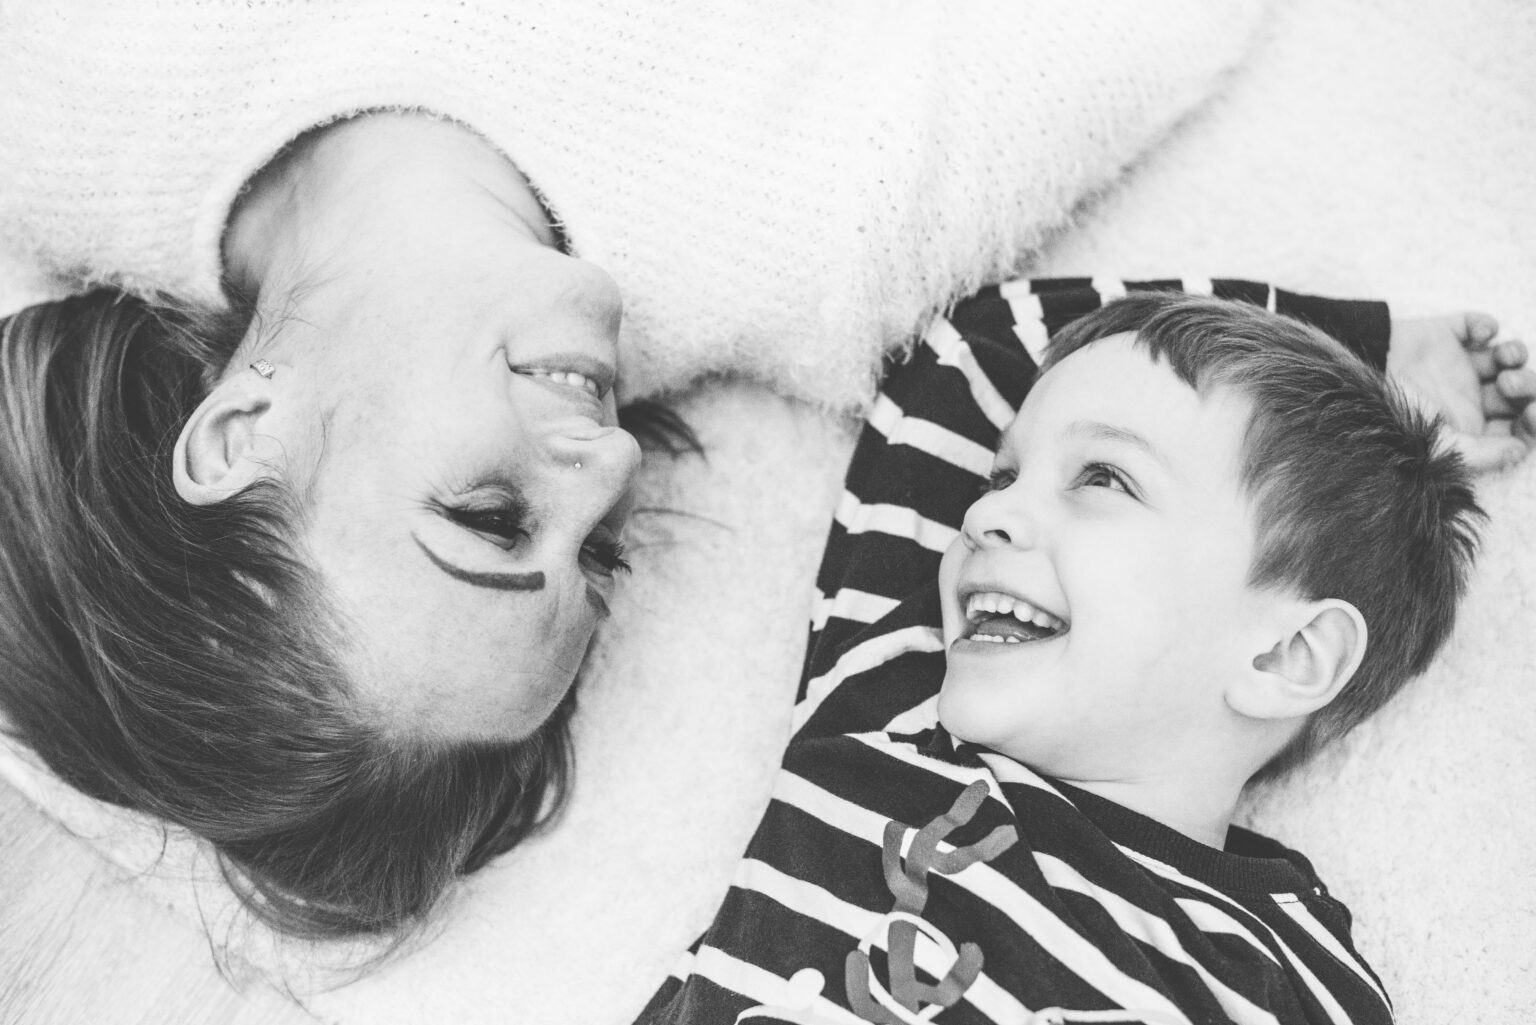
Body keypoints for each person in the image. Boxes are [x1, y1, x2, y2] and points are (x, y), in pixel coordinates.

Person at [2, 4, 1533, 957]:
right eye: (595, 558)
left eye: (486, 520)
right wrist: (1348, 360)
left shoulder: (58, 104)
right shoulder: (825, 233)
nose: (603, 463)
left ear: (235, 434)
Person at [636, 289, 1489, 1024]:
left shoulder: (1278, 975)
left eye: (1103, 479)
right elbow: (977, 344)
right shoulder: (888, 710)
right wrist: (1373, 342)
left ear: (1285, 656)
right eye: (997, 478)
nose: (985, 516)